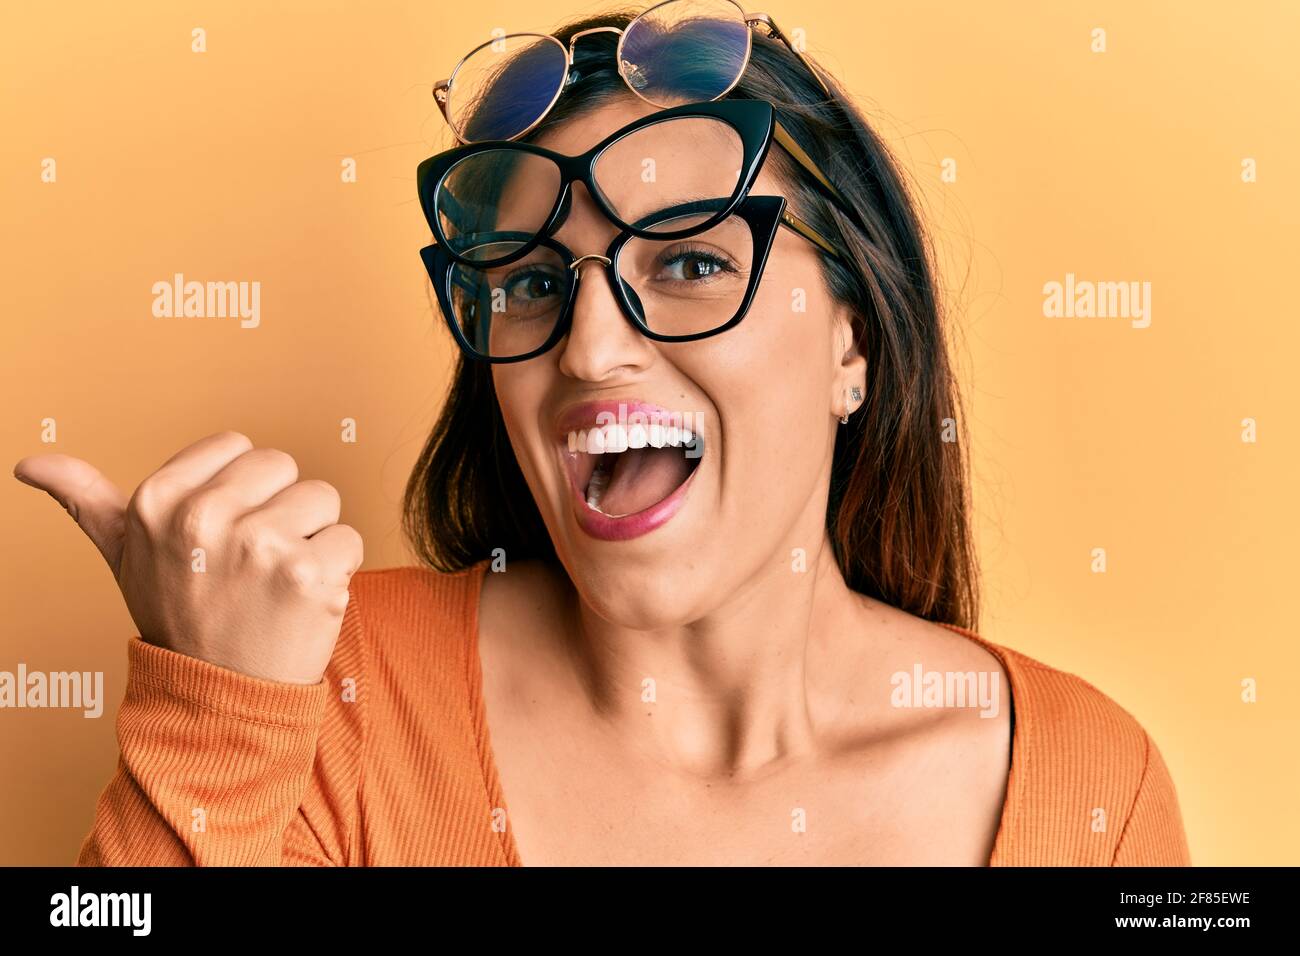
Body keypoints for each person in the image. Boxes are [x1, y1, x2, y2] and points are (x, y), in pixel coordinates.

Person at [14, 2, 1189, 866]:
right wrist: (218, 715)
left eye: (688, 260)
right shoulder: (324, 692)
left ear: (854, 344)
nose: (585, 349)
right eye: (529, 281)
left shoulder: (1090, 784)